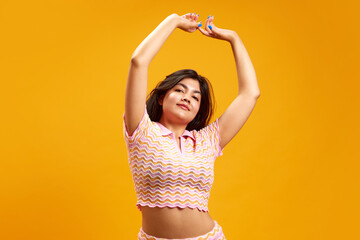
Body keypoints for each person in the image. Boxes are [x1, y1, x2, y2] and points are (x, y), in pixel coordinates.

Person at [123, 12, 260, 240]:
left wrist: (234, 38)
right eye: (179, 90)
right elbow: (138, 61)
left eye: (196, 97)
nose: (187, 98)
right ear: (161, 98)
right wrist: (174, 21)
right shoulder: (141, 130)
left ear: (198, 109)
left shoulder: (208, 140)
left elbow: (250, 94)